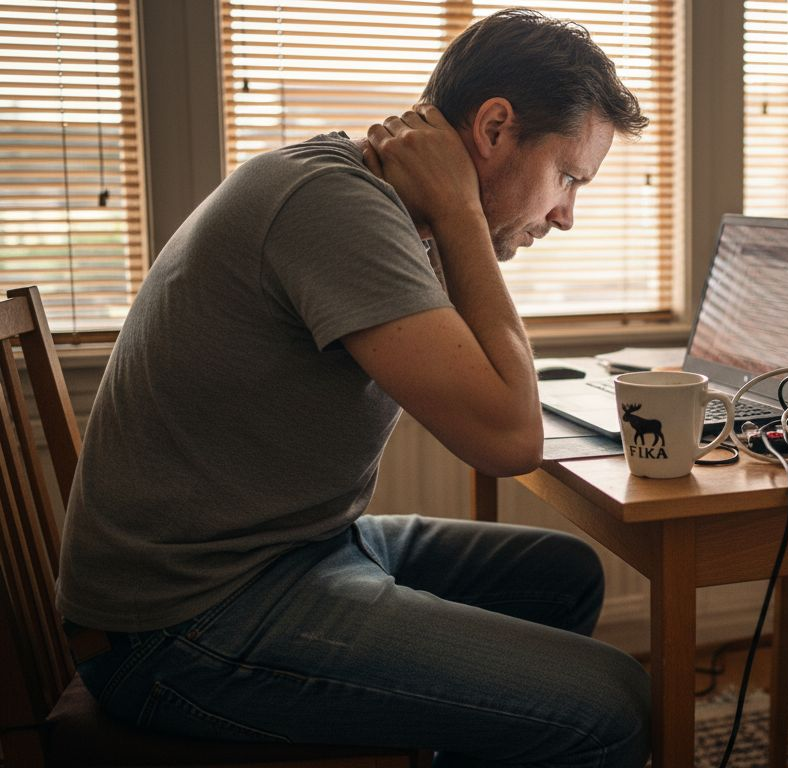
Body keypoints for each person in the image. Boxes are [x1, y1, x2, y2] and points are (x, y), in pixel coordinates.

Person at [56, 9, 651, 766]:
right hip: (183, 625)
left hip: (295, 551)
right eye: (568, 176)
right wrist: (465, 212)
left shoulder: (378, 200)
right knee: (613, 702)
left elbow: (486, 382)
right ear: (495, 129)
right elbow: (508, 437)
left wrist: (457, 215)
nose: (566, 215)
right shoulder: (334, 206)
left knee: (563, 578)